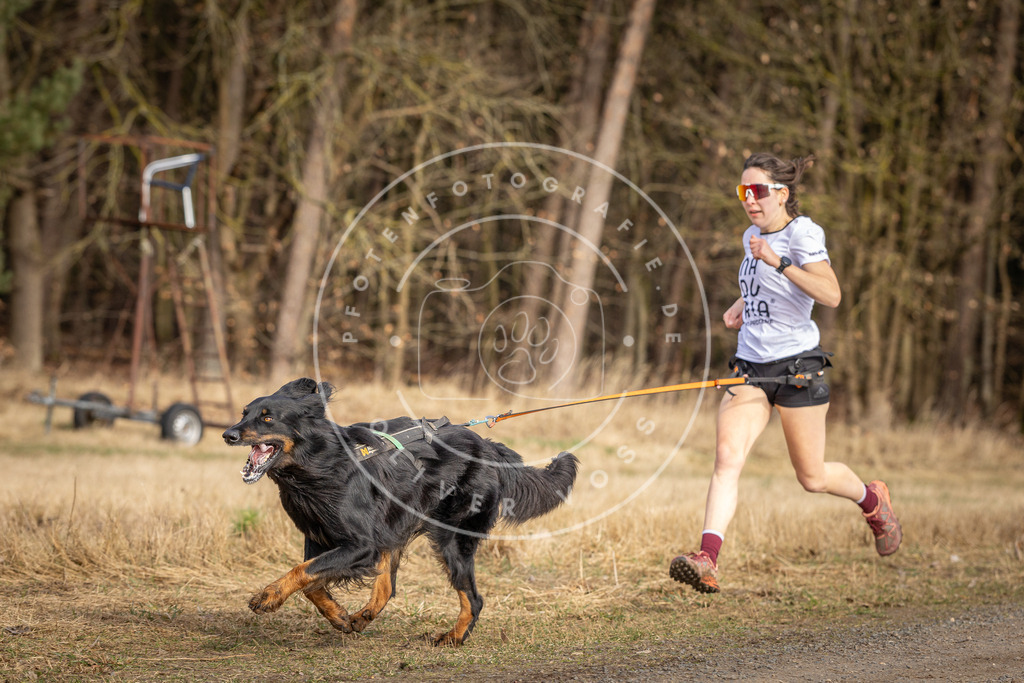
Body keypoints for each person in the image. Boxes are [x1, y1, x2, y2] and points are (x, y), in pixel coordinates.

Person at [669, 152, 902, 594]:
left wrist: (778, 261)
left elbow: (829, 294)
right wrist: (742, 304)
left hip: (797, 369)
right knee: (726, 459)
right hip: (751, 367)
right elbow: (771, 291)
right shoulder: (751, 237)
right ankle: (707, 558)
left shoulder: (803, 233)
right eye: (742, 191)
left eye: (756, 191)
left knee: (811, 477)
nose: (748, 200)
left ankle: (873, 501)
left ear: (783, 193)